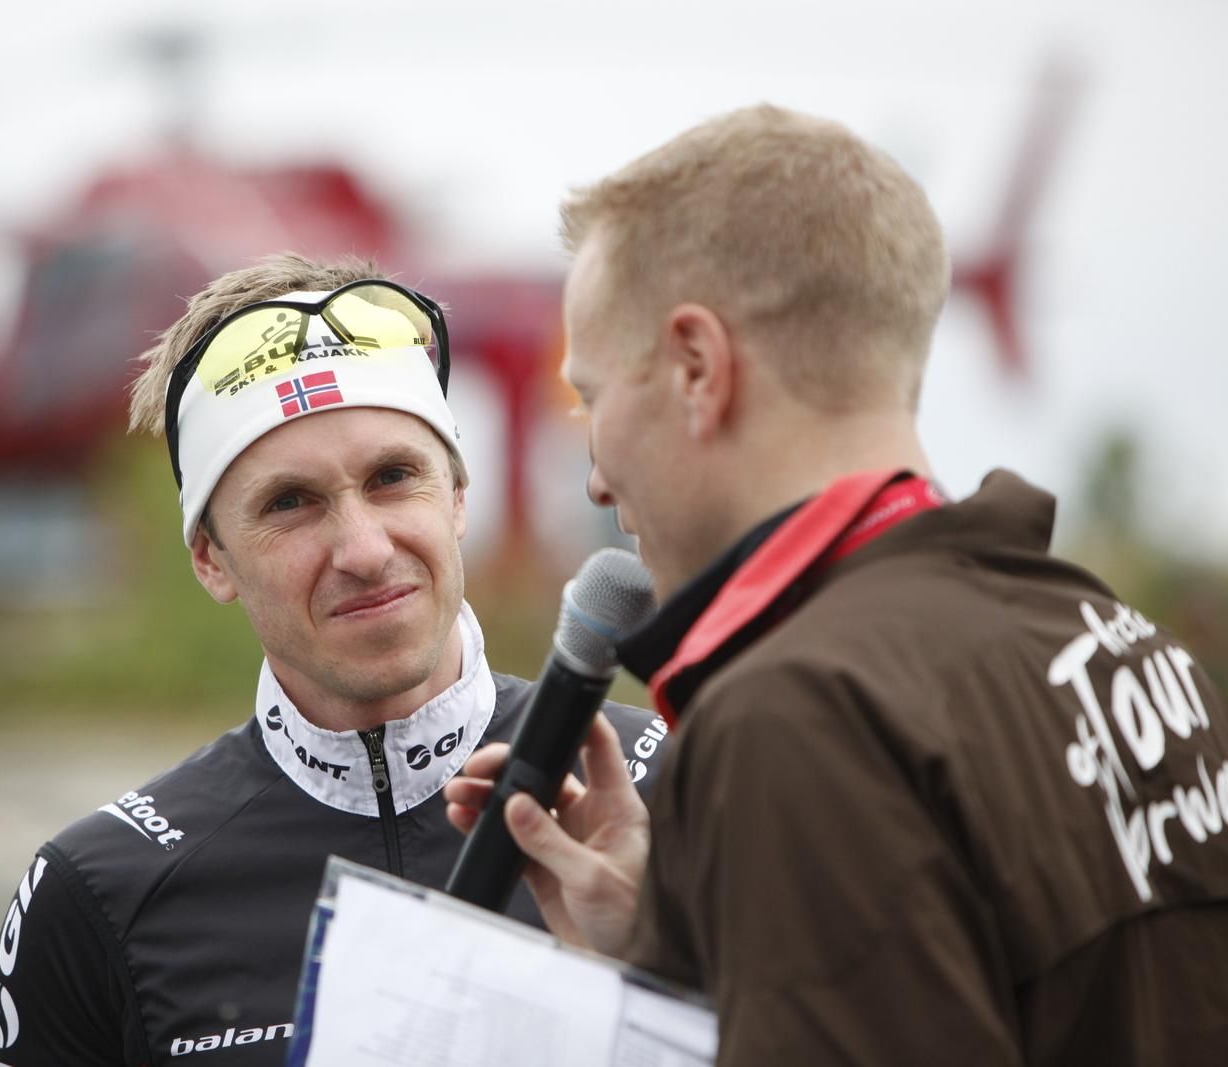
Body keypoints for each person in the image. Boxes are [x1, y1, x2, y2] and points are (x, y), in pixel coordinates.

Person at [446, 104, 1228, 1065]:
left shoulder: (801, 714)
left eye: (593, 397)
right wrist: (680, 945)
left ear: (697, 367)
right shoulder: (1118, 638)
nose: (597, 477)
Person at [0, 253, 667, 1066]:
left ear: (457, 494)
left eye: (393, 476)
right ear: (211, 559)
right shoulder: (99, 892)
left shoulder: (684, 788)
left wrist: (654, 976)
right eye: (290, 502)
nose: (365, 550)